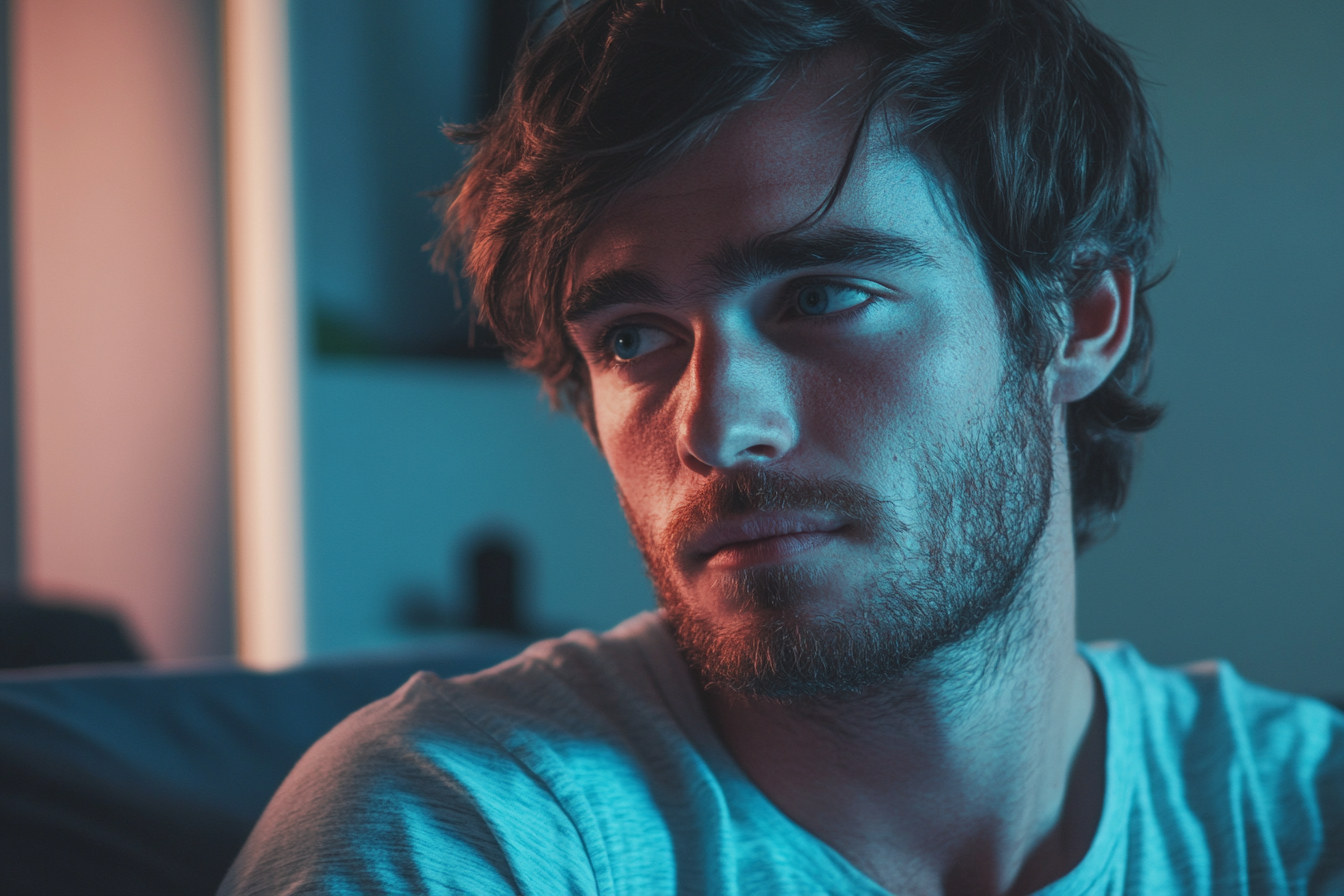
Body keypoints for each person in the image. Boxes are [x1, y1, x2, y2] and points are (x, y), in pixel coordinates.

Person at [221, 1, 1344, 893]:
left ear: (1073, 319)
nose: (716, 424)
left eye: (823, 294)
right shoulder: (466, 834)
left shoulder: (1300, 817)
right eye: (634, 338)